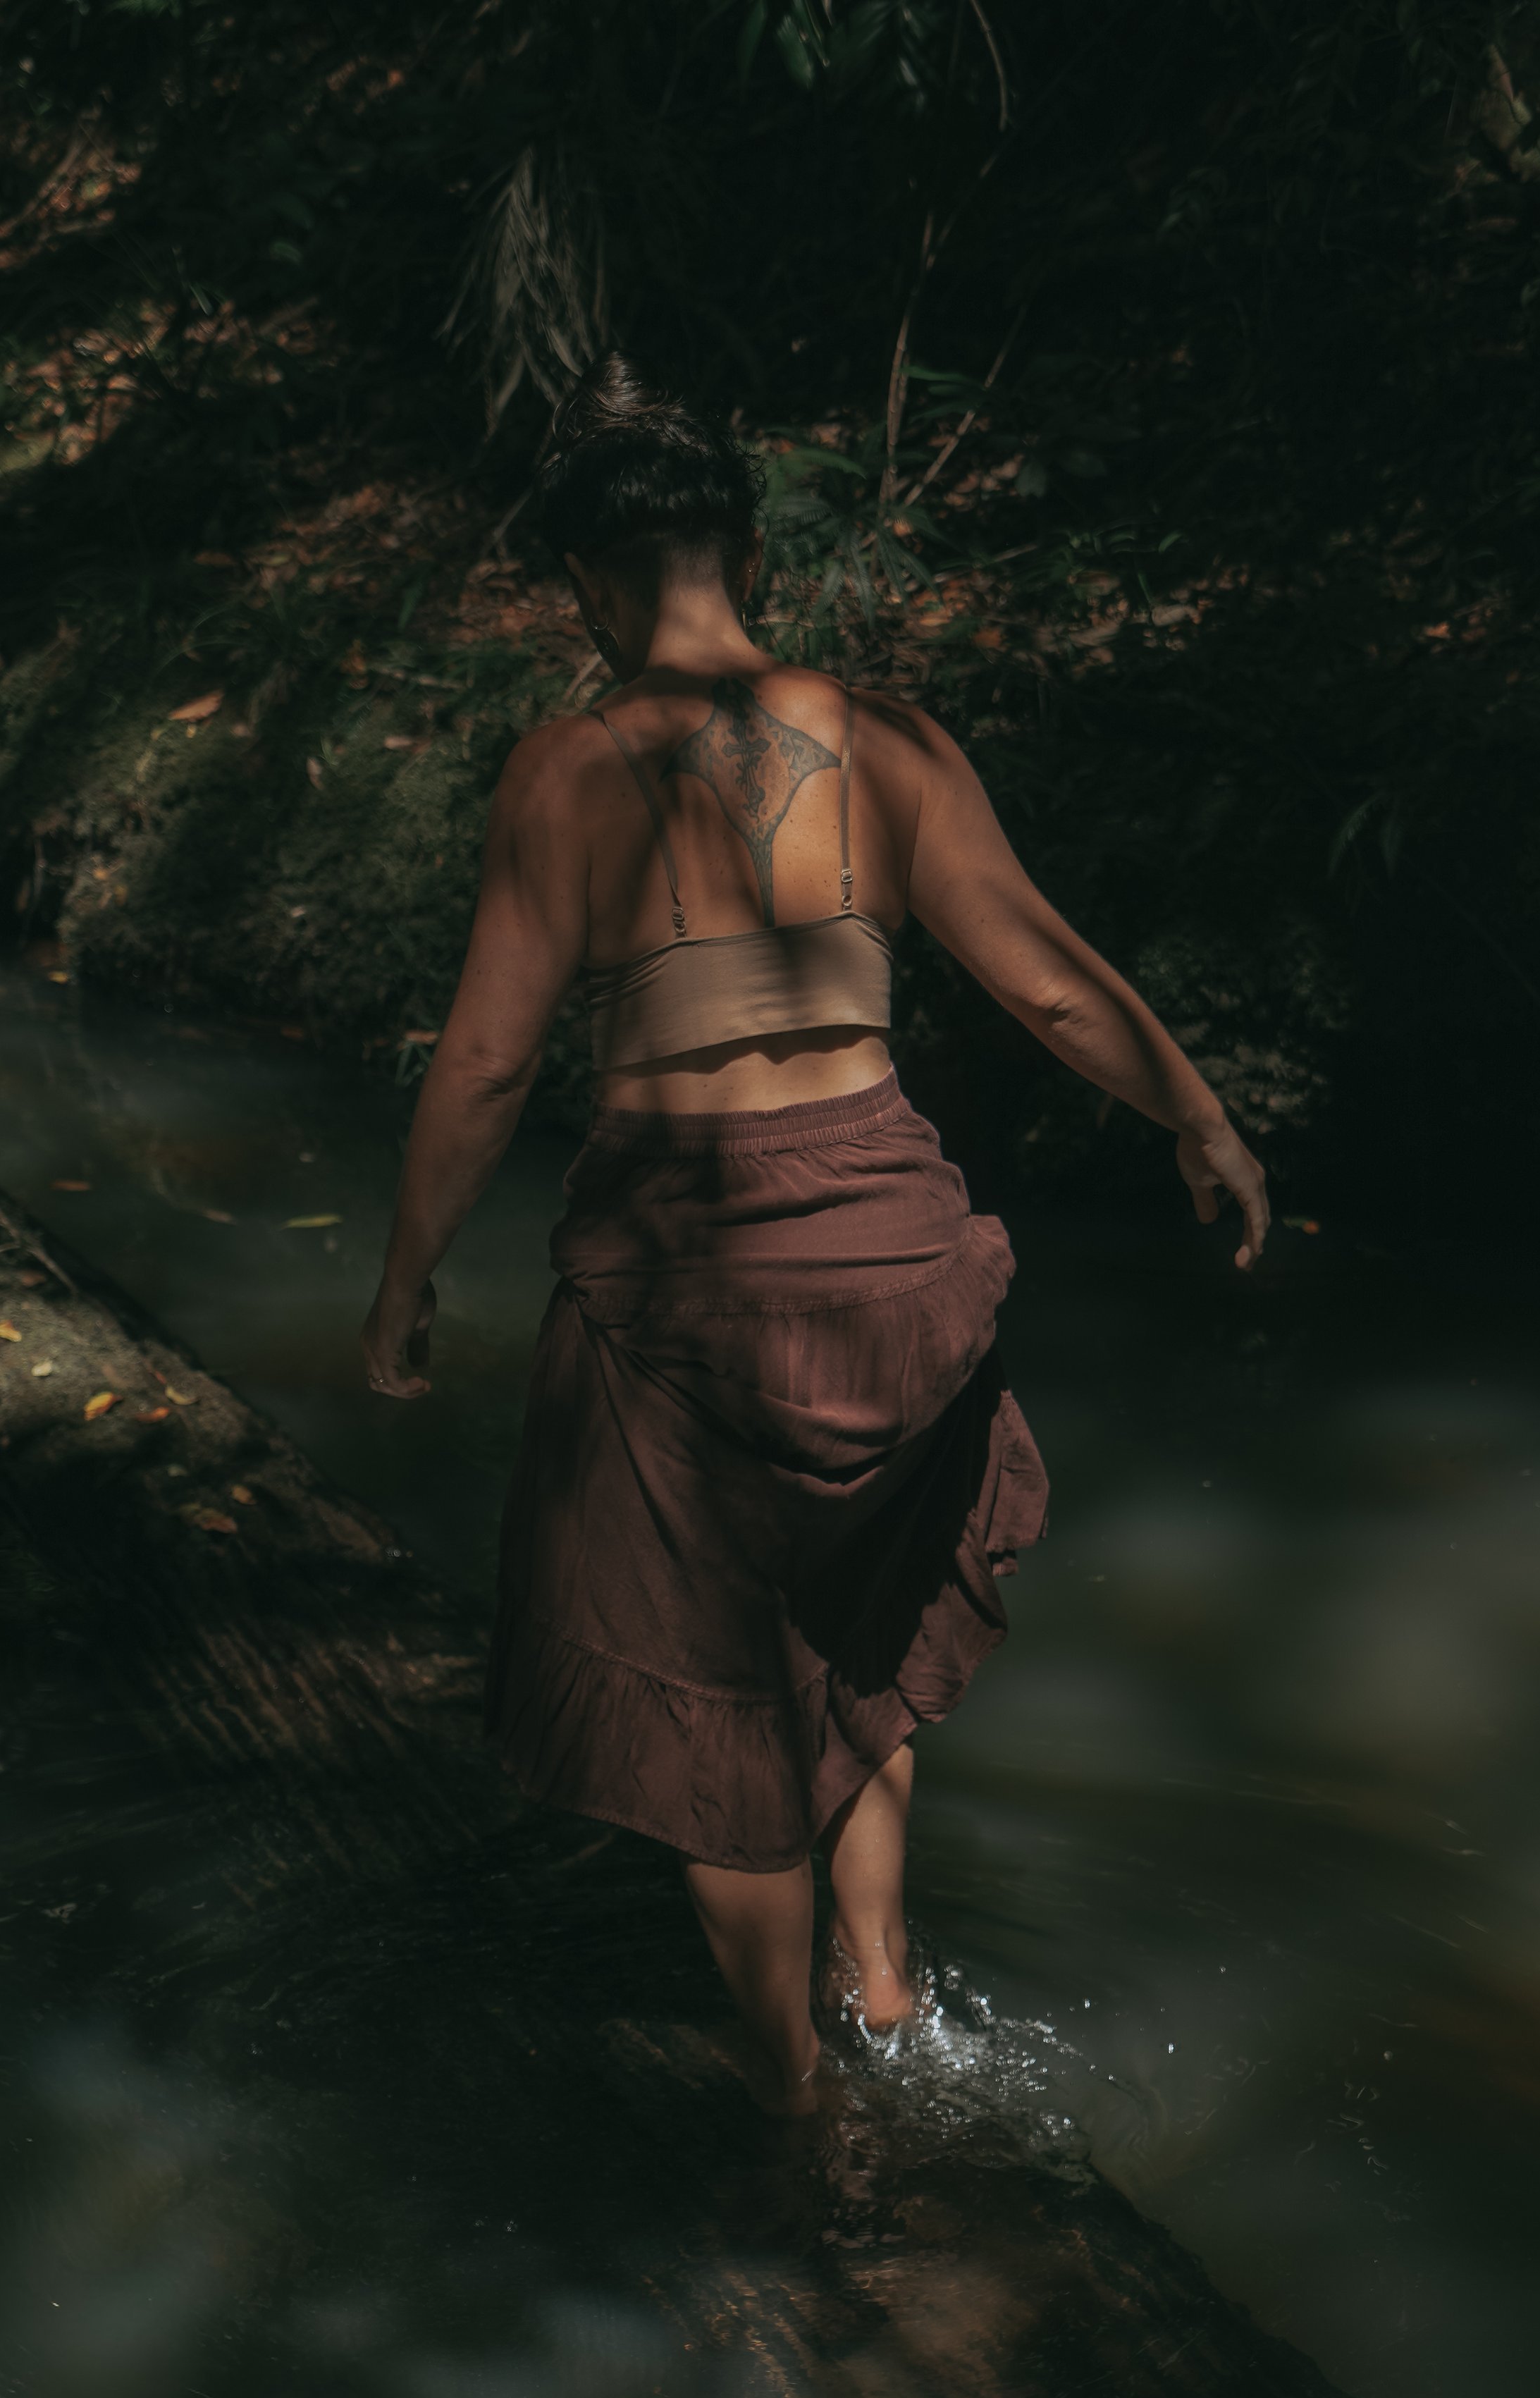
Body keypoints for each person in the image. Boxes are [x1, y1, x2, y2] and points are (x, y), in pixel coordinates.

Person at [361, 355, 1269, 2117]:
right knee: (853, 1643)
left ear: (585, 585)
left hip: (685, 1279)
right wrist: (1199, 1119)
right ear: (747, 556)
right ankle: (885, 1997)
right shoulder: (890, 742)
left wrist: (407, 1282)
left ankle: (797, 2123)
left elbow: (482, 1066)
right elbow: (1044, 984)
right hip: (893, 1255)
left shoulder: (564, 771)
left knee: (718, 1727)